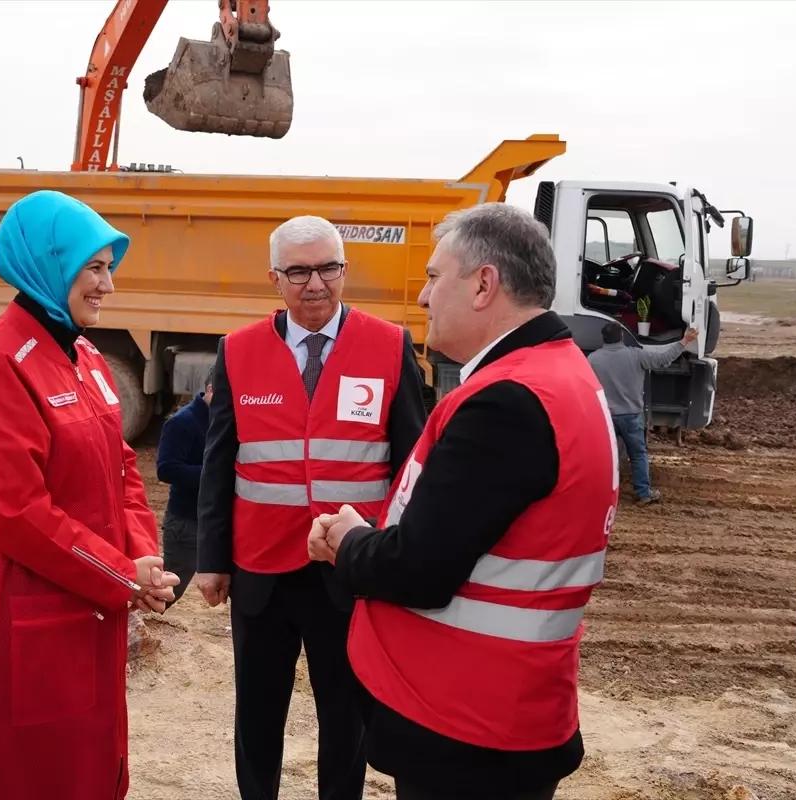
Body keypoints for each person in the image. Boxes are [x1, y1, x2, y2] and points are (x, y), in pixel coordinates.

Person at [308, 202, 619, 800]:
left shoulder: (507, 401)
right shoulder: (559, 376)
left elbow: (421, 568)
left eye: (431, 276)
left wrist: (348, 542)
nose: (422, 298)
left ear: (483, 284)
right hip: (505, 709)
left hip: (466, 722)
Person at [0, 190, 179, 800]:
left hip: (90, 589)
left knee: (87, 757)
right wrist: (123, 576)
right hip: (22, 593)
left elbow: (121, 465)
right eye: (93, 268)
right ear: (47, 263)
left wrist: (140, 554)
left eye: (108, 268)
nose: (107, 285)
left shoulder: (85, 355)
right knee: (20, 768)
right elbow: (18, 513)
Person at [195, 214, 427, 800]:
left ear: (344, 270)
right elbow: (218, 464)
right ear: (275, 278)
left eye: (327, 268)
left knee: (346, 718)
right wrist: (211, 558)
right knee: (257, 715)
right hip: (259, 572)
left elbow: (411, 468)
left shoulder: (389, 344)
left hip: (348, 570)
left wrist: (398, 557)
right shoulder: (239, 351)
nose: (315, 283)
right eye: (299, 271)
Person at [586, 321, 698, 504]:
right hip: (631, 416)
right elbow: (663, 359)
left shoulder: (593, 359)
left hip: (606, 417)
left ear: (603, 339)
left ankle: (599, 493)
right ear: (621, 337)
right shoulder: (636, 356)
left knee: (606, 456)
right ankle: (643, 493)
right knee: (637, 454)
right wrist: (685, 340)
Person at [155, 365, 213, 604]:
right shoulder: (182, 422)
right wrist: (214, 475)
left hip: (216, 521)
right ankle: (127, 632)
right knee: (166, 592)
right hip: (187, 524)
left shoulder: (224, 419)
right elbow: (166, 469)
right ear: (210, 389)